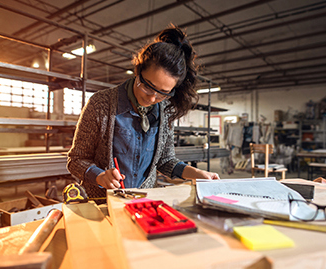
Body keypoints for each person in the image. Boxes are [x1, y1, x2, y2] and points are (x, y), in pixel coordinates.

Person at [67, 25, 219, 202]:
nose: (153, 98)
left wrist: (195, 173)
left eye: (163, 92)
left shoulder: (165, 112)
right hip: (101, 203)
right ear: (137, 71)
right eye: (148, 86)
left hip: (143, 202)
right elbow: (75, 160)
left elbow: (165, 161)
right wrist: (100, 176)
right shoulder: (101, 104)